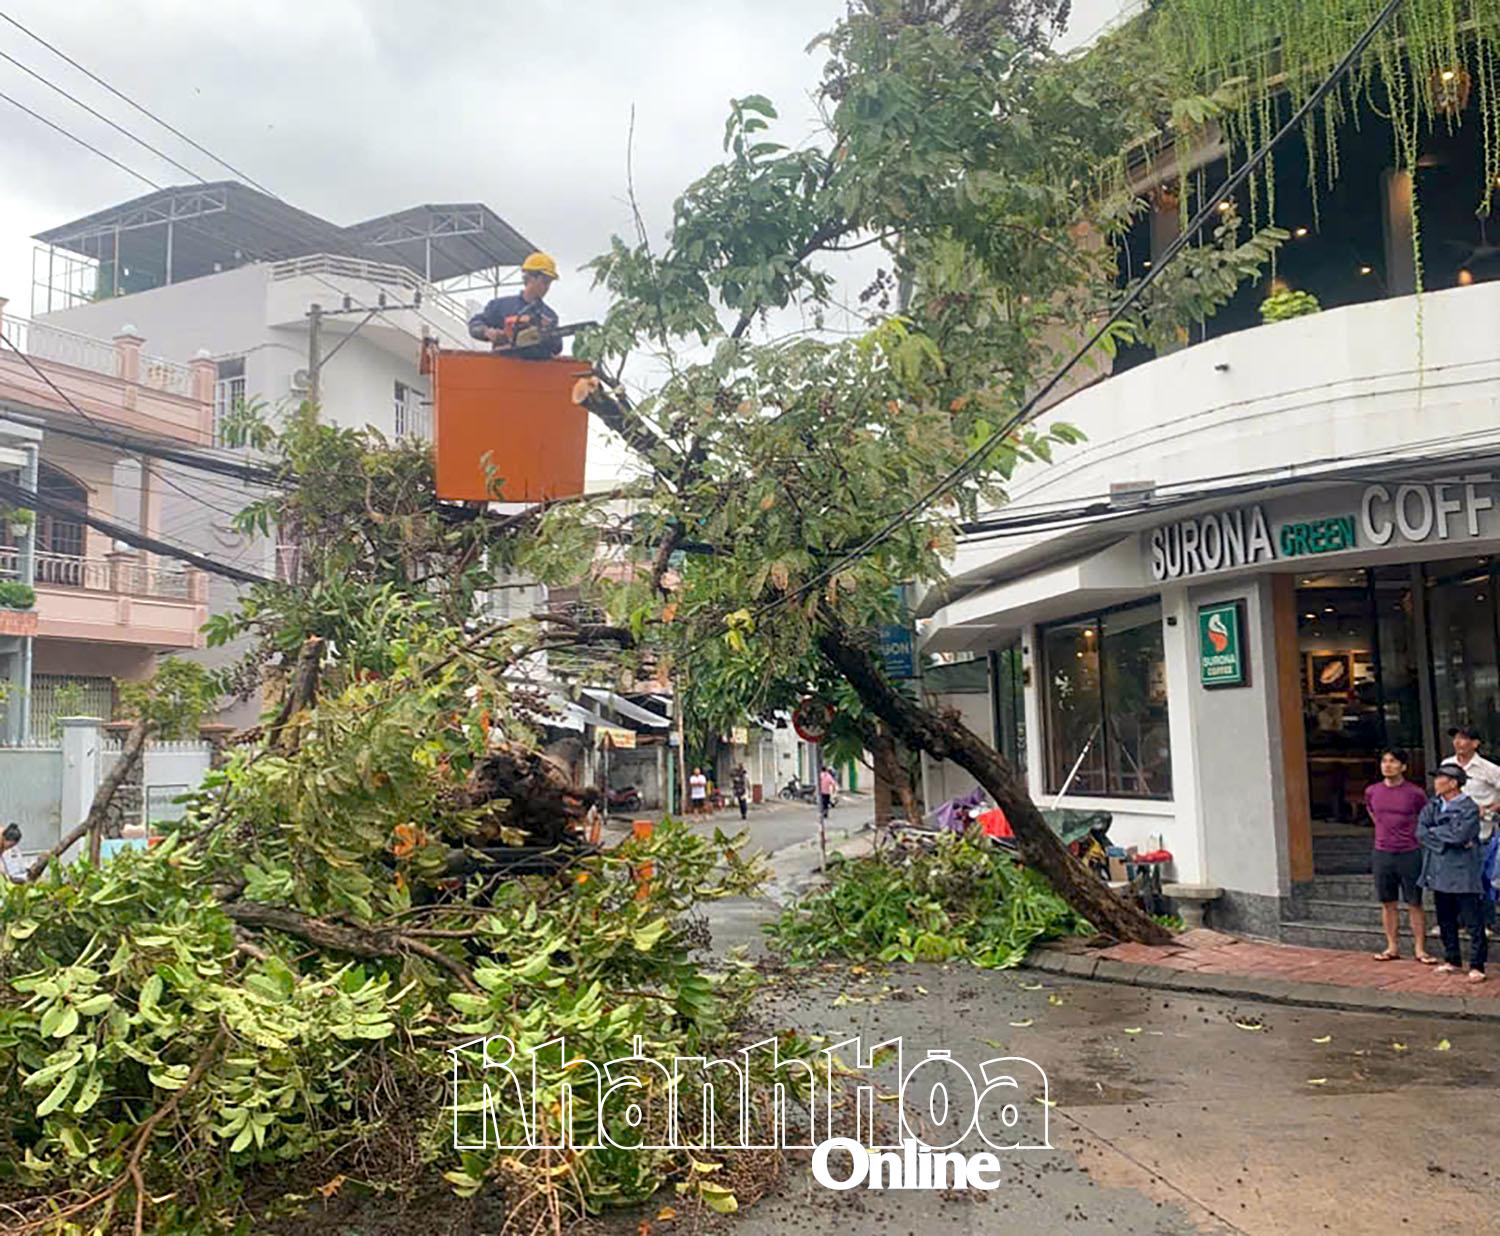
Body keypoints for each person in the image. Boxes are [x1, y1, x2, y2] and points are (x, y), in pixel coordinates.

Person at [1417, 761, 1487, 982]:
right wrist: (1442, 837)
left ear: (1454, 783)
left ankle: (1477, 964)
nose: (1436, 782)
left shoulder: (1468, 807)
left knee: (1472, 919)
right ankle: (1452, 958)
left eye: (1441, 778)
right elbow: (1420, 831)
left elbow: (1461, 835)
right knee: (1445, 917)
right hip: (1438, 868)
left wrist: (1436, 834)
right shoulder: (1433, 805)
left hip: (1463, 871)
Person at [1364, 749, 1434, 963]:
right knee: (1387, 902)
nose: (1387, 765)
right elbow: (1373, 813)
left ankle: (1420, 948)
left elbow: (1425, 816)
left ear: (1403, 766)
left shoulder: (1415, 793)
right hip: (1382, 851)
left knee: (1414, 902)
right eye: (1384, 761)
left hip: (1409, 851)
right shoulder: (1372, 791)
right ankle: (1392, 946)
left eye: (1393, 762)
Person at [467, 252, 563, 357]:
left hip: (537, 371)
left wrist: (549, 332)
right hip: (503, 369)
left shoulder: (550, 316)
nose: (546, 287)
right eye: (544, 281)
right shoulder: (501, 307)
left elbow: (557, 348)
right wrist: (487, 332)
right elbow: (474, 325)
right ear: (530, 277)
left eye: (549, 283)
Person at [1449, 726, 1500, 840]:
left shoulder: (1489, 768)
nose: (1457, 742)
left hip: (1483, 834)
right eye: (1455, 738)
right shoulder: (1447, 765)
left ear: (1475, 744)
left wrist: (1489, 810)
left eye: (1462, 738)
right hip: (1453, 834)